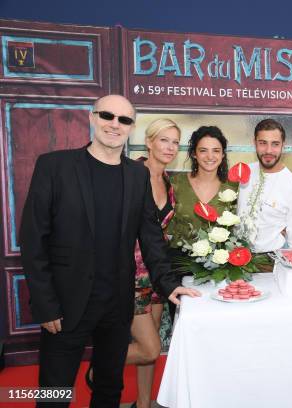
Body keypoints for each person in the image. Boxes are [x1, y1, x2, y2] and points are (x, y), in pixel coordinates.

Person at [19, 95, 199, 408]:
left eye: (124, 120)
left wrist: (169, 284)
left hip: (117, 305)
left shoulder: (136, 175)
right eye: (107, 116)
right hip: (65, 305)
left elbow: (151, 235)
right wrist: (45, 305)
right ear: (92, 118)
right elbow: (34, 240)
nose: (114, 125)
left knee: (108, 390)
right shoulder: (54, 166)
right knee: (53, 396)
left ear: (131, 128)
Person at [128, 118, 180, 408]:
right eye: (163, 140)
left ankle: (143, 404)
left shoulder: (169, 181)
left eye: (175, 142)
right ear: (148, 142)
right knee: (150, 348)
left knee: (151, 352)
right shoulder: (131, 173)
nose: (170, 147)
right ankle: (101, 364)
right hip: (131, 275)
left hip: (158, 274)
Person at [237, 119, 292, 253]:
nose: (268, 150)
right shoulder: (245, 172)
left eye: (275, 144)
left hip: (270, 263)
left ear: (283, 146)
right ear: (254, 143)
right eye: (263, 143)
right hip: (236, 260)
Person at [167, 126, 238, 246]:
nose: (210, 156)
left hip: (221, 263)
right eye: (203, 150)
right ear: (194, 154)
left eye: (216, 151)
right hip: (178, 261)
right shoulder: (175, 184)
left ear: (223, 155)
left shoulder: (234, 188)